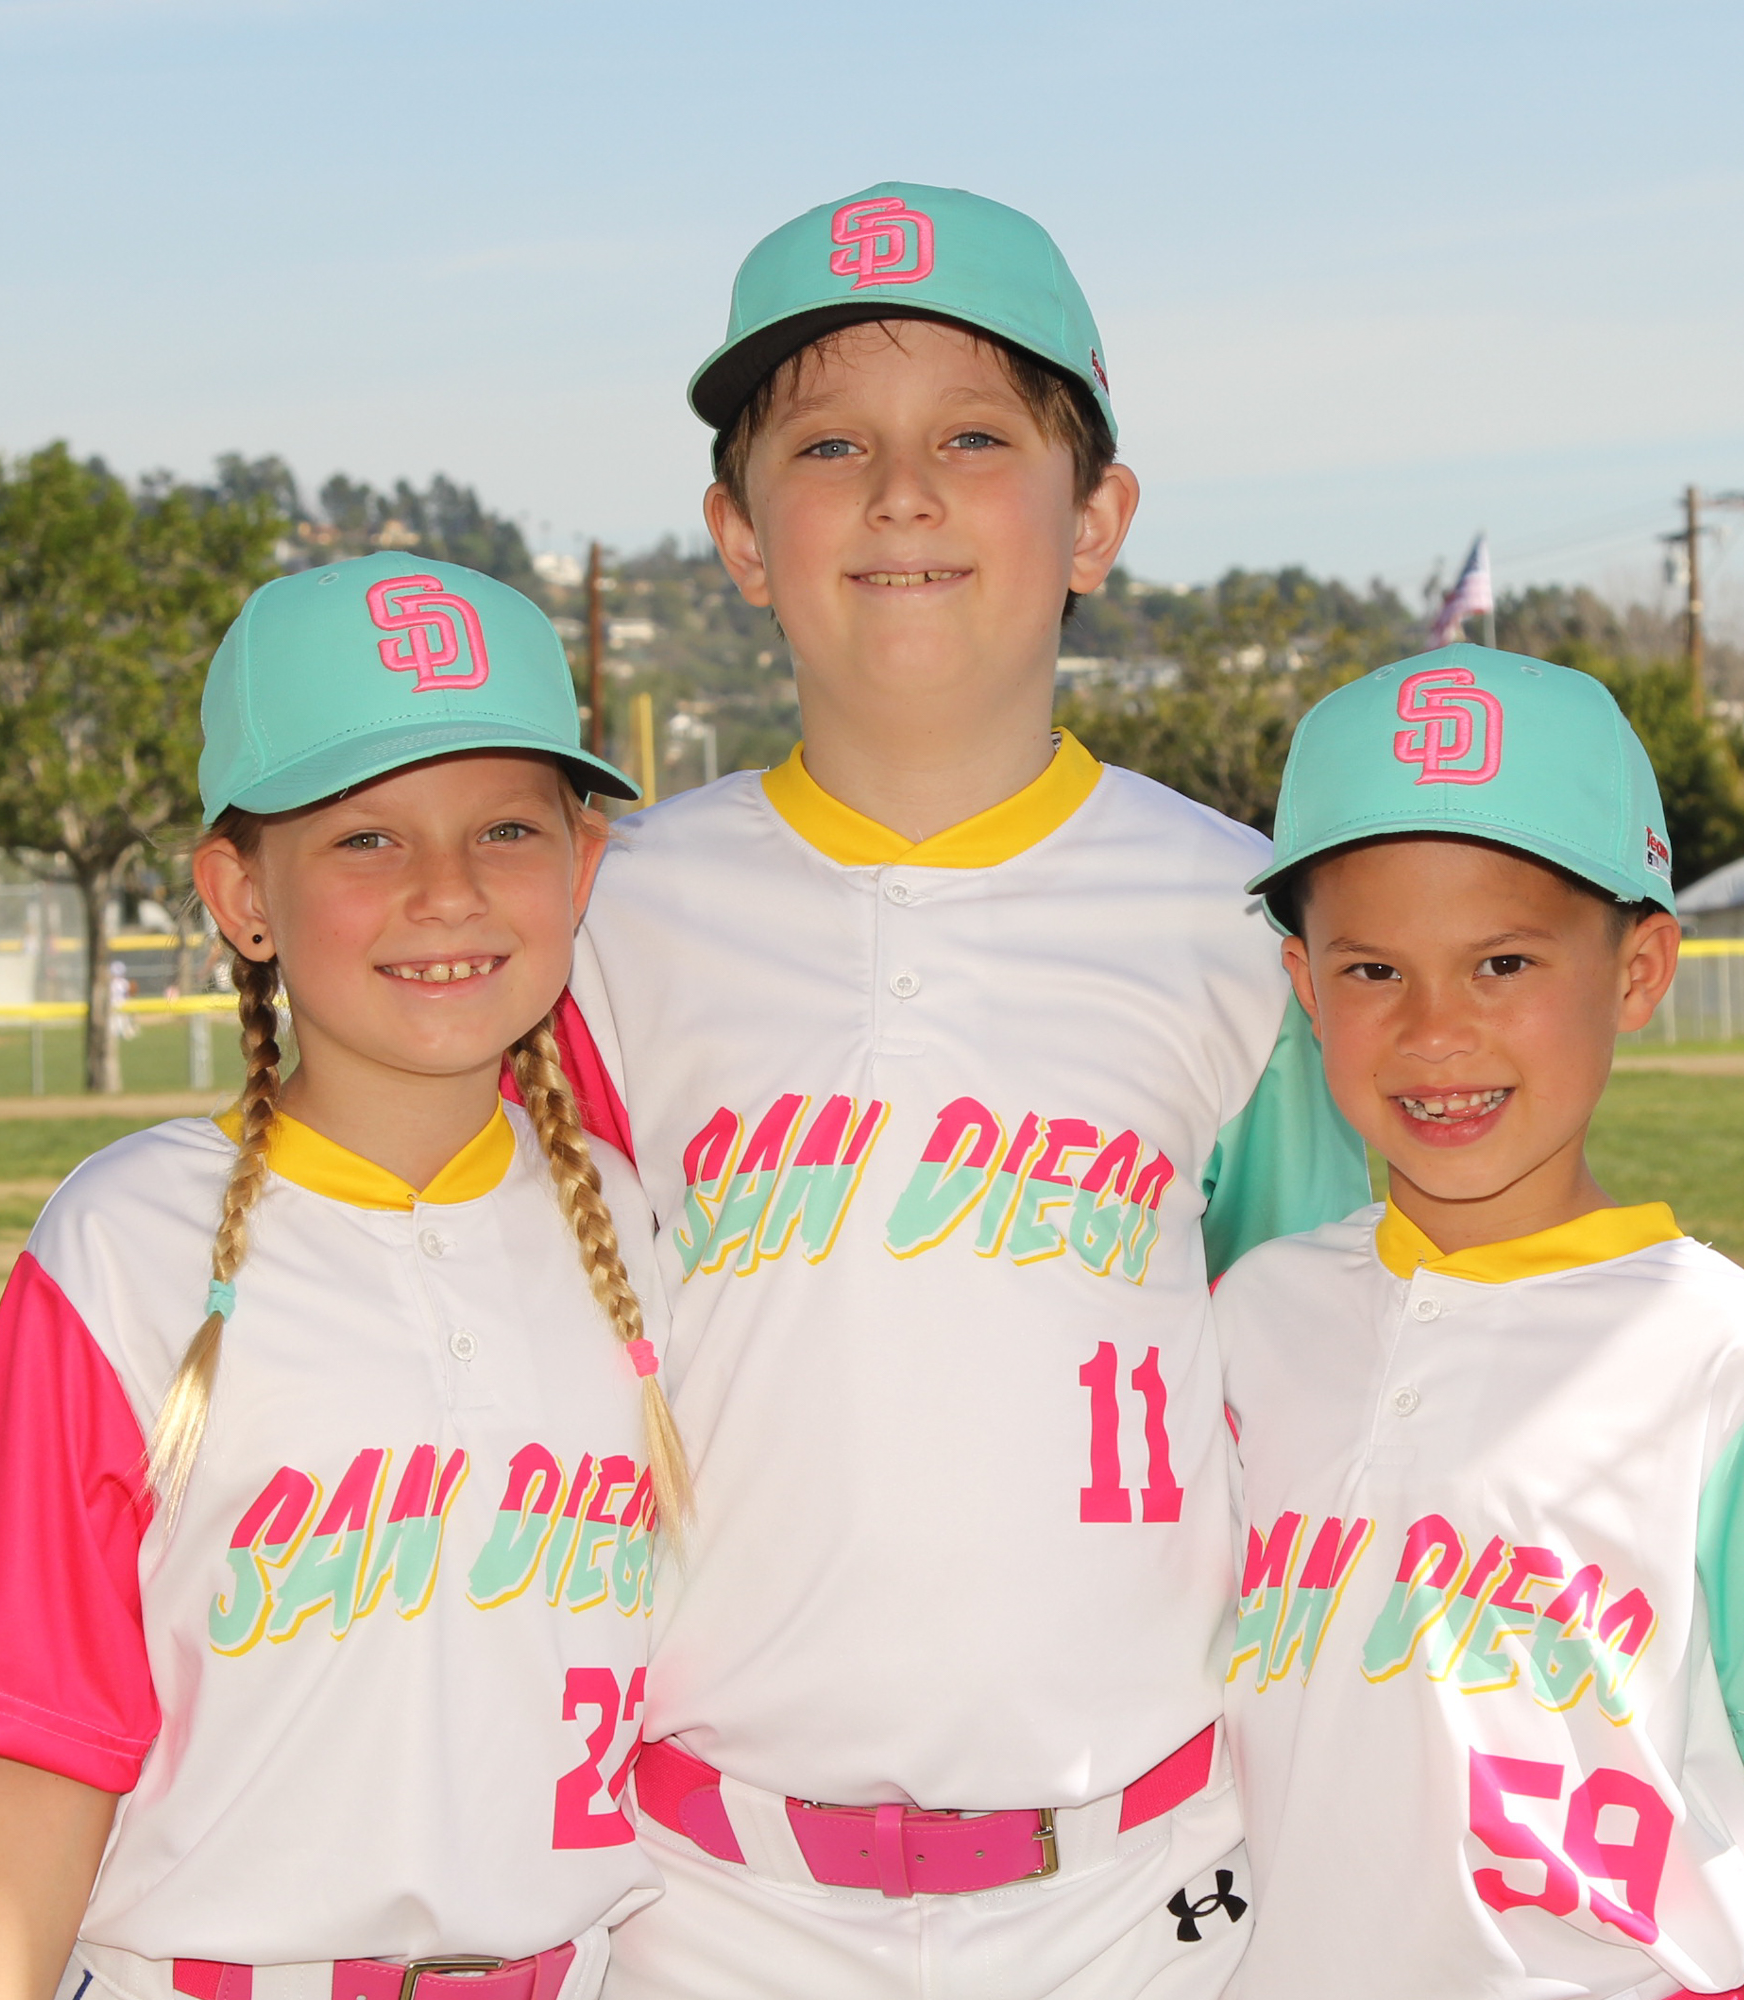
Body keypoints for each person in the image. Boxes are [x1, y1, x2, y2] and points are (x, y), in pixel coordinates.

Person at [564, 183, 1369, 2000]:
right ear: (738, 535)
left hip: (1137, 1893)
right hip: (702, 1895)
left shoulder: (1243, 921)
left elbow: (1329, 1399)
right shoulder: (613, 917)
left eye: (977, 439)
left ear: (1097, 521)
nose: (903, 494)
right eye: (829, 445)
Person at [0, 554, 688, 2000]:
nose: (446, 893)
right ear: (243, 894)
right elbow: (41, 1749)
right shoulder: (129, 1239)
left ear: (582, 865)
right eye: (367, 839)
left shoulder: (631, 1219)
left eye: (505, 828)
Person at [1214, 646, 1744, 2000]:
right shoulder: (1252, 1317)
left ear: (1639, 970)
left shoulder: (1743, 1369)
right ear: (1303, 983)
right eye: (1373, 970)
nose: (1435, 1031)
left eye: (1503, 962)